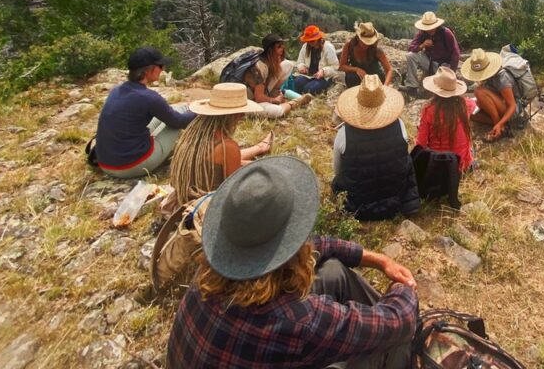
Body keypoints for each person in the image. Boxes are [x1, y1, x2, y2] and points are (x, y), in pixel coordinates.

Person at [167, 156, 418, 369]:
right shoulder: (299, 322)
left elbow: (317, 245)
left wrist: (378, 260)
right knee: (393, 341)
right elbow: (398, 321)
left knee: (332, 272)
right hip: (304, 333)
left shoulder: (209, 275)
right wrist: (403, 288)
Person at [94, 47, 196, 178]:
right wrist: (199, 111)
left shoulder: (116, 90)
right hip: (130, 166)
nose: (163, 69)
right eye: (160, 66)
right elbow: (179, 122)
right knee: (177, 119)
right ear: (149, 70)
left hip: (105, 164)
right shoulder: (149, 97)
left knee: (174, 111)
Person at [168, 83, 274, 206]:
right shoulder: (227, 146)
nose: (242, 116)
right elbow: (234, 190)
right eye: (241, 113)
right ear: (235, 115)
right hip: (207, 206)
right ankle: (261, 148)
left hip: (185, 199)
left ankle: (260, 148)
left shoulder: (193, 134)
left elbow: (221, 162)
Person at [331, 75, 420, 221]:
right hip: (394, 200)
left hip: (359, 206)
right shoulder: (400, 126)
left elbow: (338, 169)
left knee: (338, 181)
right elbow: (401, 158)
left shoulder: (344, 133)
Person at [416, 67, 475, 173]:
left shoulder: (428, 110)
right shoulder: (466, 104)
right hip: (462, 167)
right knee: (470, 147)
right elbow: (473, 104)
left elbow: (421, 143)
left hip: (438, 167)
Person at [243, 34, 311, 118]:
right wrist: (273, 100)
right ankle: (294, 103)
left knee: (288, 64)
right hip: (249, 101)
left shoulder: (266, 61)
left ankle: (274, 94)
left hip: (257, 94)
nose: (282, 49)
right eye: (279, 46)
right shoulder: (260, 67)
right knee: (276, 112)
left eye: (282, 46)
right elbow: (259, 97)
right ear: (270, 50)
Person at [461, 48, 516, 143]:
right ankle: (500, 124)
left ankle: (499, 126)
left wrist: (499, 124)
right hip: (497, 104)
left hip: (509, 110)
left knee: (479, 92)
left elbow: (512, 105)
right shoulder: (489, 77)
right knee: (466, 110)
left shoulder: (502, 78)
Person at [404, 11, 460, 96]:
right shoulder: (422, 33)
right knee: (410, 56)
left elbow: (455, 53)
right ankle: (412, 86)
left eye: (431, 27)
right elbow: (411, 48)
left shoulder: (446, 33)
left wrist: (452, 73)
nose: (429, 29)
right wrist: (422, 45)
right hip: (429, 62)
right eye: (427, 27)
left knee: (444, 83)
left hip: (444, 65)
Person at [339, 21, 394, 89]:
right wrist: (356, 69)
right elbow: (342, 66)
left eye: (369, 42)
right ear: (358, 38)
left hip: (375, 77)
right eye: (364, 42)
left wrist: (385, 86)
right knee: (351, 77)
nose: (367, 45)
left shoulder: (376, 50)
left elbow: (389, 70)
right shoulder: (349, 46)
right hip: (359, 77)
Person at [293, 25, 339, 96]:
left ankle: (304, 97)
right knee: (297, 82)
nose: (310, 42)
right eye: (309, 40)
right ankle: (300, 98)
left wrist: (323, 71)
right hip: (308, 75)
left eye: (312, 40)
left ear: (318, 38)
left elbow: (335, 67)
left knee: (309, 89)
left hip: (324, 77)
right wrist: (302, 67)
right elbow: (299, 62)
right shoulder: (305, 47)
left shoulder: (328, 47)